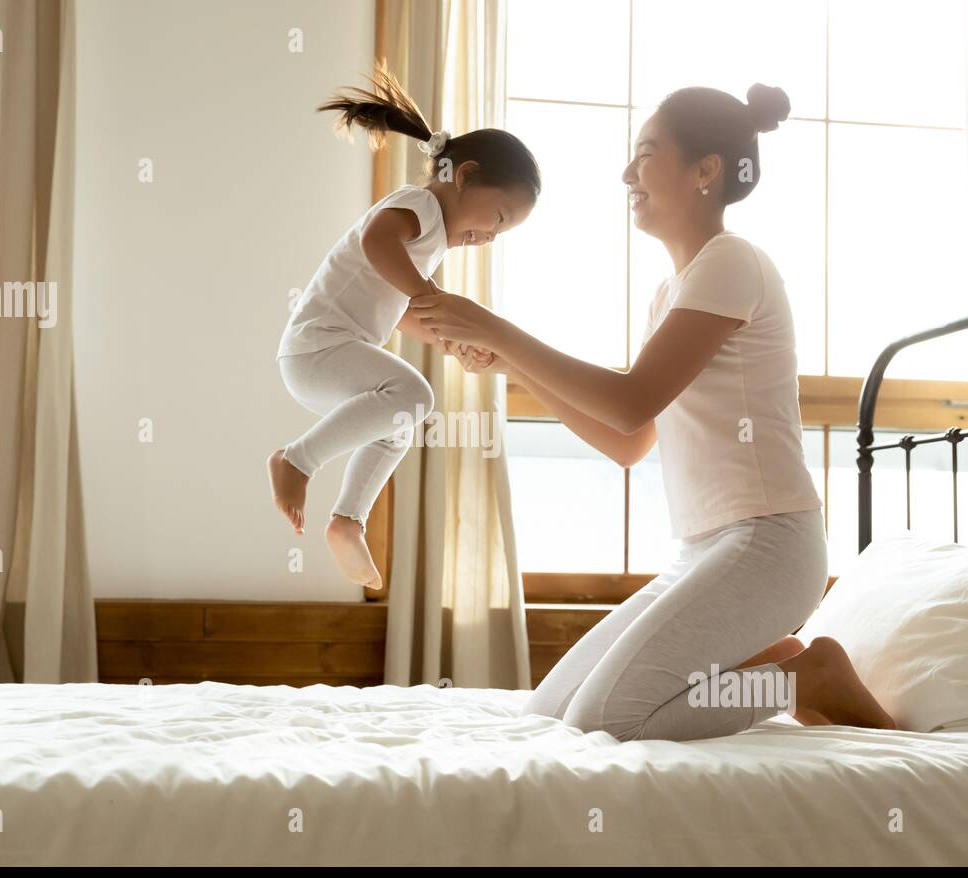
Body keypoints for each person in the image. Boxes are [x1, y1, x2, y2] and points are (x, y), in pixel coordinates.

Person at [413, 84, 895, 741]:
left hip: (768, 544)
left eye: (644, 154)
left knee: (608, 718)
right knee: (551, 715)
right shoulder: (674, 289)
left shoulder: (732, 261)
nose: (626, 174)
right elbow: (630, 438)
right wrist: (510, 363)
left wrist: (497, 330)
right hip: (704, 549)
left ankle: (808, 678)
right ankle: (773, 665)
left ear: (706, 172)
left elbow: (631, 398)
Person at [268, 65, 539, 588]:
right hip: (315, 349)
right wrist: (428, 291)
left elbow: (404, 311)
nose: (491, 237)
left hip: (326, 357)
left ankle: (348, 520)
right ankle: (295, 461)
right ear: (464, 177)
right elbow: (376, 242)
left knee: (399, 420)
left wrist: (453, 339)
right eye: (499, 219)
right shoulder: (418, 204)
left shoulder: (431, 237)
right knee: (414, 395)